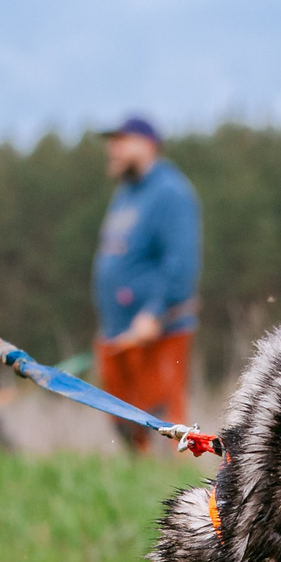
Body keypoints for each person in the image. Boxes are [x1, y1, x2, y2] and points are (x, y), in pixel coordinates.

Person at [91, 116, 202, 452]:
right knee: (126, 426)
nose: (112, 149)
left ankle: (173, 482)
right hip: (118, 333)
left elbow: (181, 261)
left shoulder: (171, 192)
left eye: (121, 141)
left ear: (147, 145)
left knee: (162, 424)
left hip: (157, 332)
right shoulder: (126, 194)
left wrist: (155, 313)